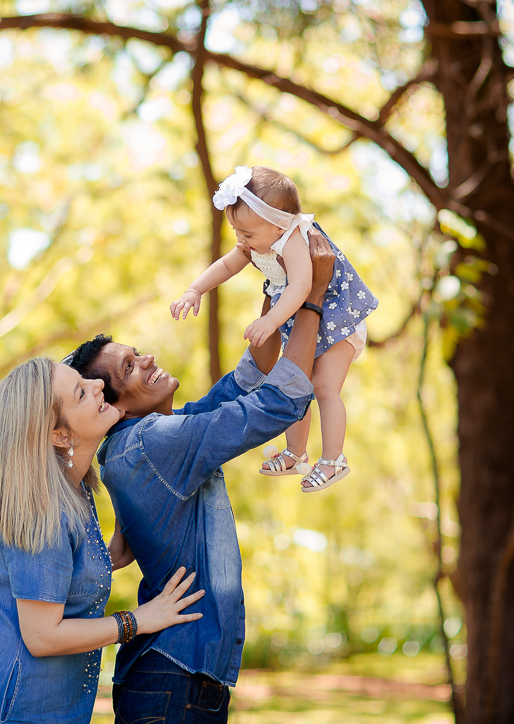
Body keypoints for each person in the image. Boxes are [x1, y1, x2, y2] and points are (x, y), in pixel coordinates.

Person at [63, 236, 336, 723]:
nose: (146, 358)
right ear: (115, 404)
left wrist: (278, 288)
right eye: (130, 365)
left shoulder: (149, 441)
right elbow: (278, 402)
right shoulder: (152, 445)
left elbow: (248, 380)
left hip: (174, 675)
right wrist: (311, 296)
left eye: (137, 352)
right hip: (173, 677)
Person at [0, 357, 205, 724]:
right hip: (3, 704)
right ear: (60, 435)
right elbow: (42, 637)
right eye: (81, 392)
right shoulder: (42, 508)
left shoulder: (73, 490)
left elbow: (73, 571)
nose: (98, 386)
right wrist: (138, 621)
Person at [171, 165, 378, 492]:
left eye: (248, 234)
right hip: (307, 320)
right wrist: (195, 289)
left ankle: (334, 458)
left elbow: (301, 285)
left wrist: (270, 320)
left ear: (280, 224)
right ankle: (296, 452)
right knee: (299, 383)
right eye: (237, 232)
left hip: (339, 319)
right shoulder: (257, 242)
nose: (242, 241)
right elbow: (227, 264)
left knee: (324, 387)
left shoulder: (294, 240)